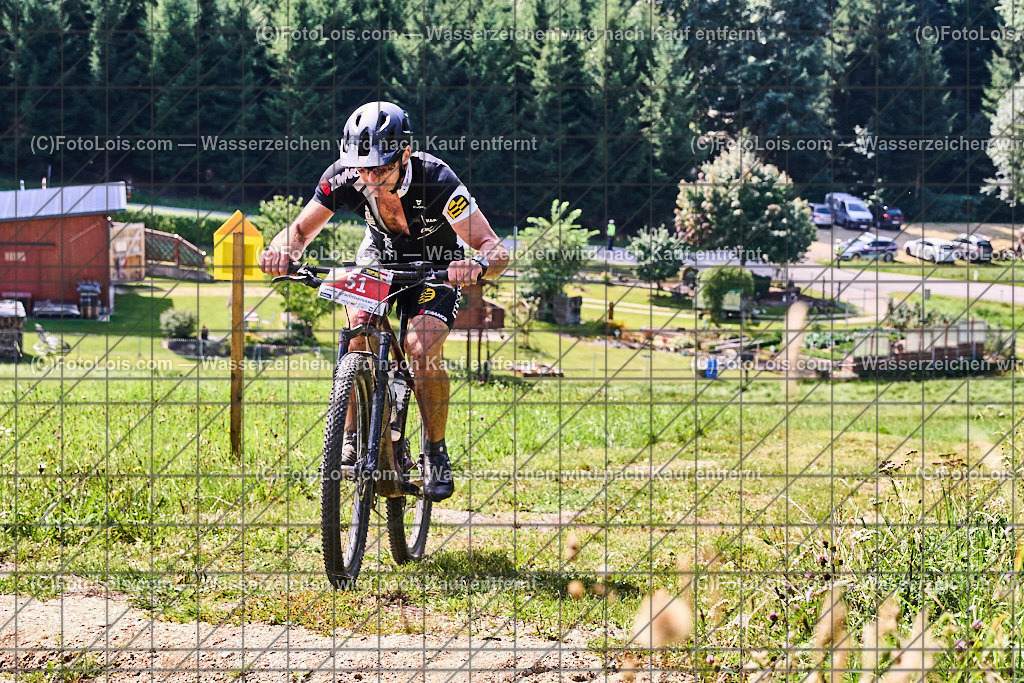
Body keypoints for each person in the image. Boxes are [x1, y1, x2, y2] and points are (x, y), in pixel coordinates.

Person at [259, 101, 509, 502]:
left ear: (405, 154)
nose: (370, 179)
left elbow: (494, 247)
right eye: (362, 170)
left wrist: (477, 264)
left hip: (437, 266)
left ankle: (434, 450)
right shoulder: (344, 176)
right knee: (357, 330)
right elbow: (299, 232)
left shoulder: (438, 179)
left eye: (380, 169)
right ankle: (355, 437)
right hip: (379, 258)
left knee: (420, 348)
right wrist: (280, 252)